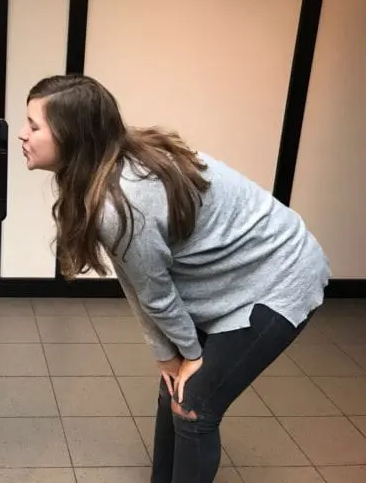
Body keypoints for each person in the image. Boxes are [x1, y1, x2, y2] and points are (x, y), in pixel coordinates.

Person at [18, 74, 329, 483]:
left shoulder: (122, 199)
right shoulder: (105, 169)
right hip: (230, 277)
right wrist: (169, 355)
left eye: (34, 125)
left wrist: (188, 354)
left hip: (280, 275)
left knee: (193, 404)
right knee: (174, 388)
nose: (22, 134)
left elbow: (156, 293)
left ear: (72, 135)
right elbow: (139, 280)